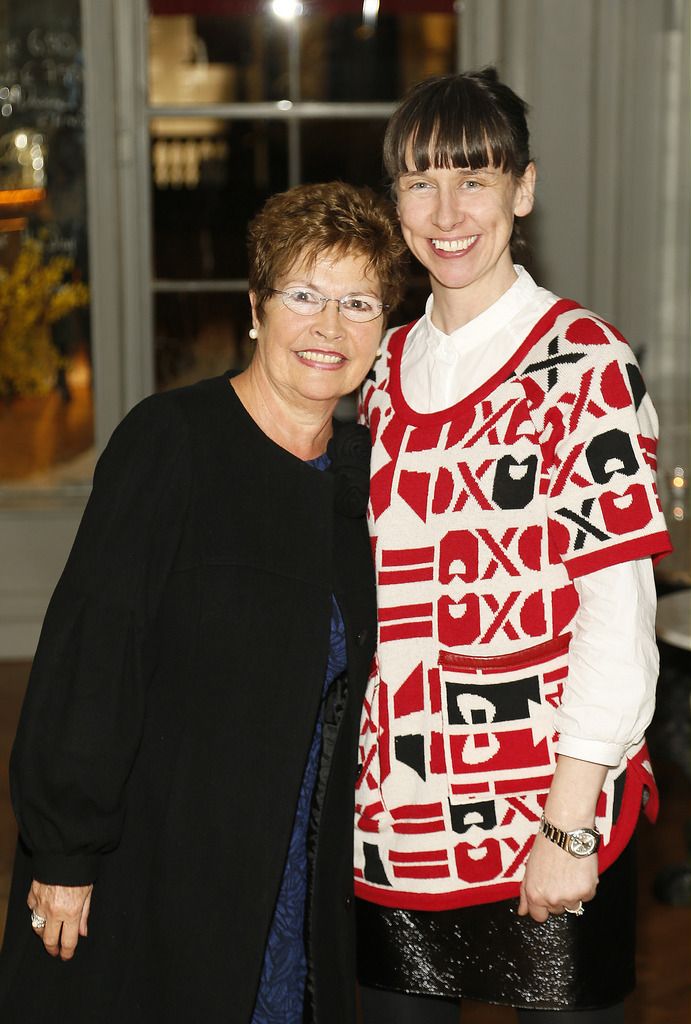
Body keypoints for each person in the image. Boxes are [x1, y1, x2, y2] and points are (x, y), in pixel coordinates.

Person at [0, 181, 407, 1023]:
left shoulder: (367, 478)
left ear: (383, 329)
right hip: (156, 857)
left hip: (296, 867)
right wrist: (66, 850)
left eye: (357, 303)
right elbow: (93, 653)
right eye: (304, 295)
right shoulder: (172, 442)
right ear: (255, 308)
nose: (329, 328)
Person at [354, 68, 672, 1023]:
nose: (446, 211)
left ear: (522, 190)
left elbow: (618, 611)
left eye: (475, 179)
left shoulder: (585, 365)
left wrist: (568, 826)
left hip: (550, 809)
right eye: (419, 182)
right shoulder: (376, 371)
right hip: (398, 821)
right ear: (395, 201)